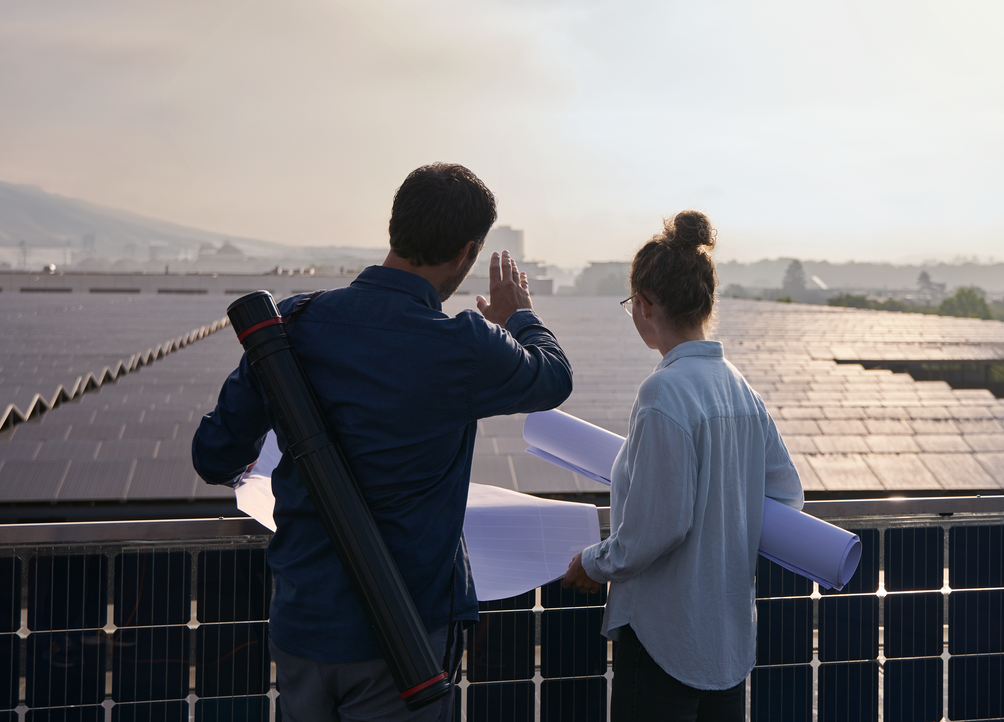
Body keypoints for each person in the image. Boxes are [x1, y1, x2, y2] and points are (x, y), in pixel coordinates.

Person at [192, 163, 573, 722]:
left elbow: (212, 455)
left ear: (396, 227)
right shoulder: (462, 345)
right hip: (404, 644)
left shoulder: (291, 324)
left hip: (302, 626)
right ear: (467, 253)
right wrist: (519, 318)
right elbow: (554, 377)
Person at [561, 211, 803, 722]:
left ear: (646, 305)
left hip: (663, 641)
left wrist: (593, 562)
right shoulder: (741, 389)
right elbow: (786, 496)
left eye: (632, 303)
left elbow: (658, 527)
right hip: (729, 643)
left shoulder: (663, 392)